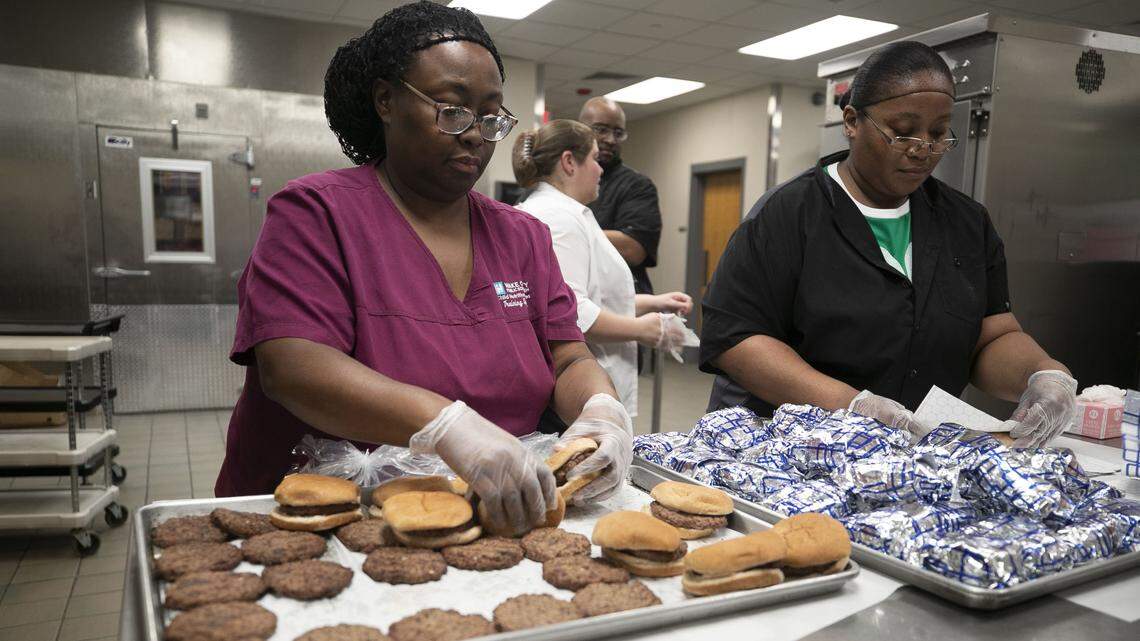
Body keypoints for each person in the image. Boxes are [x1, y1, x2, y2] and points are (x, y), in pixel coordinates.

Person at [215, 2, 632, 535]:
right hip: (323, 522)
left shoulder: (521, 236)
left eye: (490, 116)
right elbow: (294, 368)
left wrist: (600, 410)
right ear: (386, 100)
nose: (475, 134)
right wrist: (447, 427)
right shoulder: (316, 213)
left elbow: (568, 356)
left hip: (492, 518)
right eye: (451, 109)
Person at [699, 41, 1075, 448]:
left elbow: (991, 335)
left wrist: (1041, 375)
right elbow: (737, 340)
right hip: (785, 448)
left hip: (906, 455)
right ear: (851, 121)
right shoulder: (788, 215)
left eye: (938, 133)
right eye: (902, 132)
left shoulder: (965, 222)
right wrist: (853, 405)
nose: (922, 149)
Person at [511, 120, 693, 417]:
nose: (601, 169)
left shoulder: (566, 213)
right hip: (574, 388)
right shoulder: (559, 219)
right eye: (595, 159)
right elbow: (571, 312)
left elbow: (581, 295)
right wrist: (642, 330)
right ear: (569, 162)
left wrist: (652, 303)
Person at [578, 97, 662, 296]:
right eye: (601, 129)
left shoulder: (637, 185)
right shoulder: (560, 180)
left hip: (624, 301)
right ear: (579, 129)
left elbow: (634, 249)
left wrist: (569, 229)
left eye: (618, 132)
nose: (610, 139)